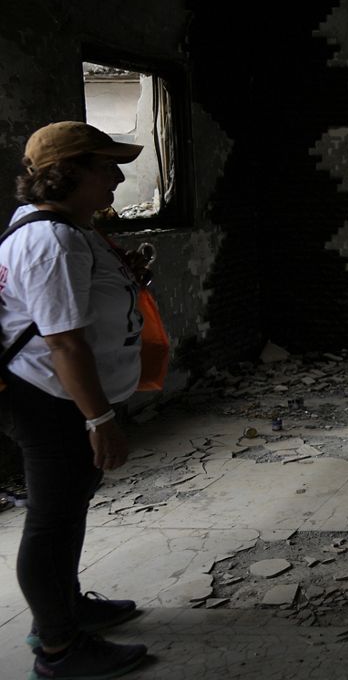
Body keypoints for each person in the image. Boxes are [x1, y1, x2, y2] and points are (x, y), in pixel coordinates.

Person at [2, 121, 150, 678]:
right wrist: (100, 419)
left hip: (63, 396)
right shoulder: (53, 239)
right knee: (52, 518)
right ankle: (58, 648)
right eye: (105, 165)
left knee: (67, 510)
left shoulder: (68, 230)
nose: (117, 174)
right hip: (52, 398)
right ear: (68, 174)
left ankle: (66, 608)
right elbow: (62, 341)